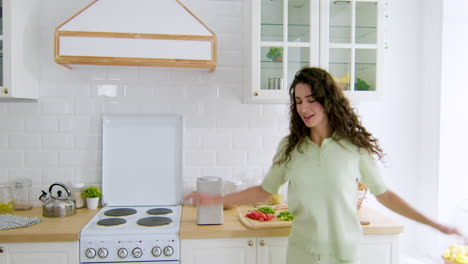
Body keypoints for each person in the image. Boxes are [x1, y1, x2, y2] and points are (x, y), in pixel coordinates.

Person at [184, 67, 462, 264]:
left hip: (344, 255)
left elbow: (384, 194)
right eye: (299, 102)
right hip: (302, 254)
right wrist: (217, 199)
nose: (304, 108)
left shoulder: (354, 146)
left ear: (327, 101)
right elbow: (264, 190)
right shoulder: (290, 147)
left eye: (311, 100)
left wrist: (434, 224)